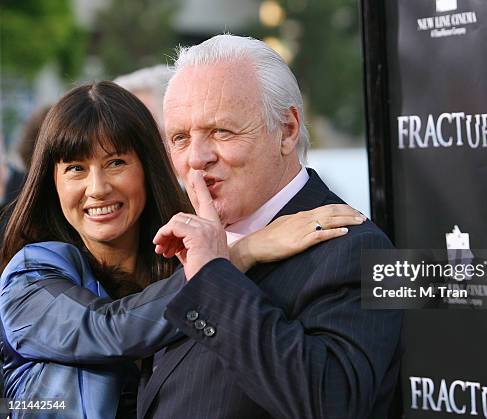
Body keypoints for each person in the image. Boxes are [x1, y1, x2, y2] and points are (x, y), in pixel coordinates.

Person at [0, 81, 364, 418]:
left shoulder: (177, 259)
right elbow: (108, 328)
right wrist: (235, 256)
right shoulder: (29, 276)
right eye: (76, 168)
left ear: (147, 166)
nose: (97, 188)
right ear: (52, 182)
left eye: (116, 163)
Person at [138, 34, 403, 419]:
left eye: (221, 132)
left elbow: (331, 403)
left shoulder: (357, 250)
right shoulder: (184, 242)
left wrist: (214, 275)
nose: (196, 158)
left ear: (287, 130)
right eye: (179, 138)